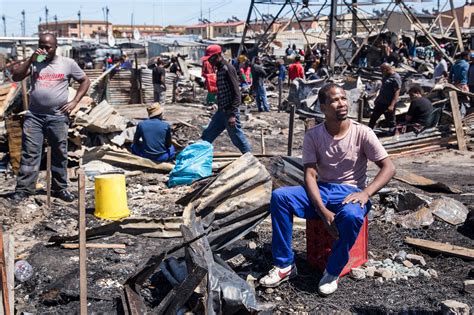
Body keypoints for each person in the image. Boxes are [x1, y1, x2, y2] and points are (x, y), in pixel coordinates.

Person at [259, 83, 395, 295]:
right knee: (280, 196)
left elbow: (389, 167)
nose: (341, 103)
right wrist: (322, 211)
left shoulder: (362, 133)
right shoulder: (314, 135)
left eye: (343, 98)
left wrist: (366, 192)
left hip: (351, 191)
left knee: (351, 215)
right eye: (334, 100)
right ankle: (285, 265)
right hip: (322, 189)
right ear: (323, 108)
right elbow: (310, 175)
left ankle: (333, 270)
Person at [11, 33, 91, 202]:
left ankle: (59, 188)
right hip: (35, 116)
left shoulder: (67, 64)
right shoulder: (35, 62)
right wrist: (30, 60)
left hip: (58, 117)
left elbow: (85, 81)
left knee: (59, 153)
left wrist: (75, 101)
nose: (44, 50)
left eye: (48, 47)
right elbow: (16, 76)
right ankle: (24, 189)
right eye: (42, 46)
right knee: (30, 153)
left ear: (56, 47)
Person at [201, 45, 251, 154]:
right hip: (221, 111)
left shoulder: (228, 68)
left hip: (229, 111)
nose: (209, 61)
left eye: (211, 58)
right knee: (207, 134)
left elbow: (237, 93)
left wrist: (233, 114)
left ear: (218, 56)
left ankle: (250, 157)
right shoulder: (219, 70)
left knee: (237, 137)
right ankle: (200, 155)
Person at [368, 63, 401, 129]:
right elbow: (383, 88)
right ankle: (368, 133)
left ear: (386, 69)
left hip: (388, 104)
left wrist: (392, 105)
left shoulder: (395, 78)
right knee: (373, 118)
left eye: (382, 70)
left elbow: (397, 92)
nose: (381, 72)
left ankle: (393, 134)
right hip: (380, 102)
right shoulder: (385, 76)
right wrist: (377, 98)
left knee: (391, 122)